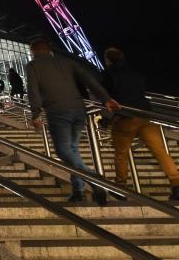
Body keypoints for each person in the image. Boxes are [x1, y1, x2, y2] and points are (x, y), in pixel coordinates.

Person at [27, 38, 119, 205]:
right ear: (49, 50)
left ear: (33, 52)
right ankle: (78, 191)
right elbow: (89, 79)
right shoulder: (66, 61)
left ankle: (93, 177)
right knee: (72, 150)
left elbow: (32, 90)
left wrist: (35, 113)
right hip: (79, 110)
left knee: (64, 151)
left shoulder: (33, 66)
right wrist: (105, 99)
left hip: (58, 111)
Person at [102, 48, 179, 200]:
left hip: (125, 117)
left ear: (108, 60)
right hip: (145, 115)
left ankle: (121, 187)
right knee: (160, 151)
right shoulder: (136, 73)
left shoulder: (107, 74)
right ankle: (176, 183)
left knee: (121, 154)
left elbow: (105, 97)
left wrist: (105, 119)